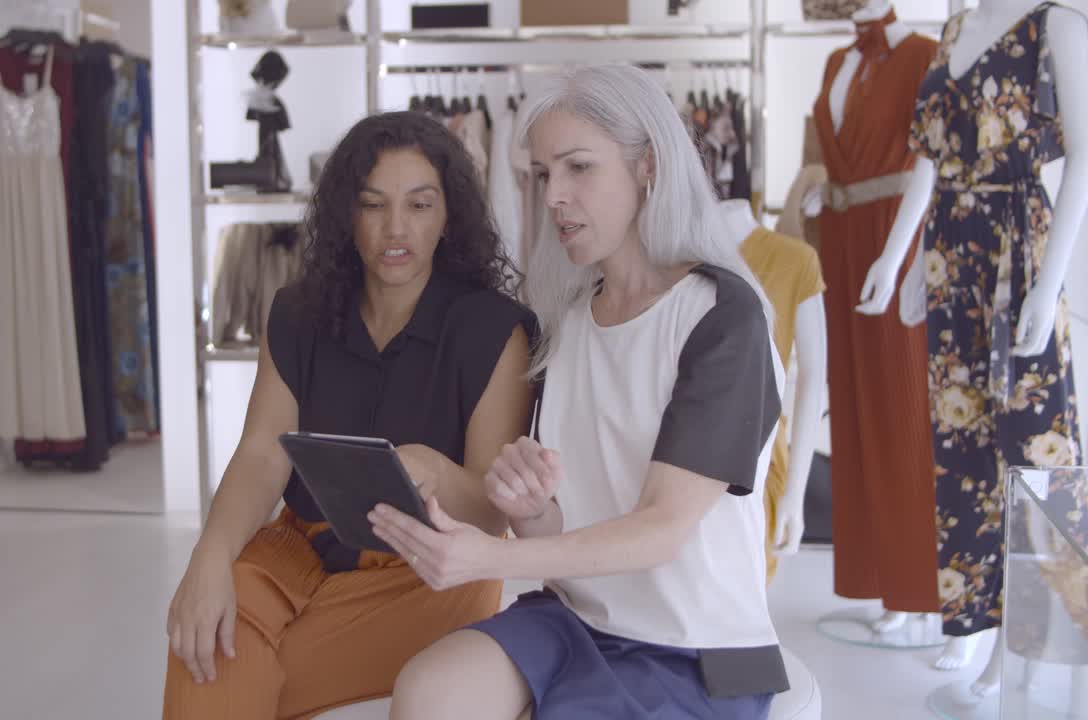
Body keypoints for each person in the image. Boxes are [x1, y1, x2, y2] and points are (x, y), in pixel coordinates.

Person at [372, 64, 790, 720]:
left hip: (698, 648)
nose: (554, 197)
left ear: (647, 165)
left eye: (578, 168)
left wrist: (491, 556)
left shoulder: (721, 317)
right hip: (575, 618)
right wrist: (527, 504)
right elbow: (562, 522)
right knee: (426, 693)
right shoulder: (564, 323)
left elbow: (661, 529)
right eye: (542, 176)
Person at [162, 111, 537, 719]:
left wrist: (434, 472)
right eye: (373, 205)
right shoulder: (298, 312)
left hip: (428, 571)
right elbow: (262, 453)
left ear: (449, 216)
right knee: (206, 627)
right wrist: (209, 556)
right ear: (347, 215)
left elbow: (492, 513)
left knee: (221, 660)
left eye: (419, 205)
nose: (396, 228)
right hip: (300, 548)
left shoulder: (494, 329)